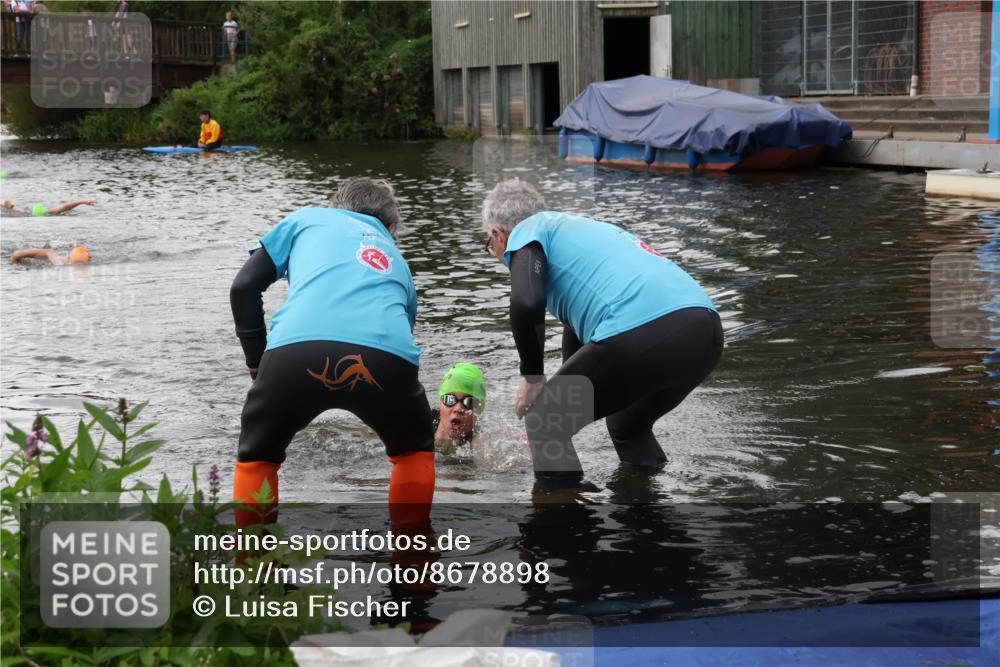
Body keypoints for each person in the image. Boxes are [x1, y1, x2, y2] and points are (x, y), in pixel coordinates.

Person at [481, 179, 723, 485]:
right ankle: (646, 516)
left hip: (646, 327)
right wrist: (562, 403)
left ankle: (563, 527)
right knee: (627, 426)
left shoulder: (528, 231)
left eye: (491, 246)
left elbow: (527, 303)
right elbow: (583, 344)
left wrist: (533, 379)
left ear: (498, 235)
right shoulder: (581, 229)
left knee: (544, 420)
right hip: (705, 332)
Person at [229, 177, 434, 529]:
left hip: (294, 353)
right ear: (391, 227)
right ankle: (412, 564)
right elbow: (401, 333)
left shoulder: (307, 218)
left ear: (337, 207)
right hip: (384, 357)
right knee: (412, 452)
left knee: (258, 458)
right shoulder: (395, 258)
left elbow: (244, 287)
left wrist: (257, 364)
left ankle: (254, 566)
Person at [432, 363, 486, 454]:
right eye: (450, 399)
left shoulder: (480, 443)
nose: (458, 408)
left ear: (479, 409)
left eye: (469, 402)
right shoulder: (420, 426)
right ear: (440, 402)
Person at [2, 198, 96, 216]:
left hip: (24, 212)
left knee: (17, 210)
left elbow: (66, 206)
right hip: (25, 212)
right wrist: (82, 201)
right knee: (16, 209)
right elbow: (65, 206)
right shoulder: (48, 213)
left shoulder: (24, 213)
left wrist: (82, 201)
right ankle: (8, 204)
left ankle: (8, 205)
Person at [12, 245, 91, 265]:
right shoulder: (58, 261)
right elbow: (48, 252)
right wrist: (17, 257)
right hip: (44, 252)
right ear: (69, 260)